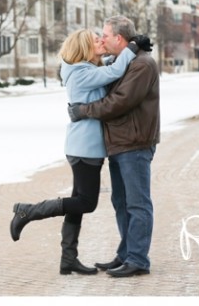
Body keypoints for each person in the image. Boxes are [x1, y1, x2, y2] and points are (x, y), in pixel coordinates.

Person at [10, 28, 139, 276]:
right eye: (96, 40)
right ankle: (28, 211)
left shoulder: (84, 69)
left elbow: (107, 67)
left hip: (84, 145)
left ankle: (68, 259)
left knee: (76, 204)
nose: (101, 41)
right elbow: (112, 71)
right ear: (84, 47)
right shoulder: (80, 73)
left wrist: (122, 52)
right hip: (84, 147)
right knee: (86, 203)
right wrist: (131, 50)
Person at [68, 16, 160, 278]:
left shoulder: (142, 65)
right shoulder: (127, 61)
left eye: (105, 35)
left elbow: (118, 102)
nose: (102, 39)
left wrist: (83, 111)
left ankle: (138, 259)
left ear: (119, 38)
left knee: (137, 203)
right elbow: (100, 71)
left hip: (134, 143)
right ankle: (126, 253)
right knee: (121, 201)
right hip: (119, 144)